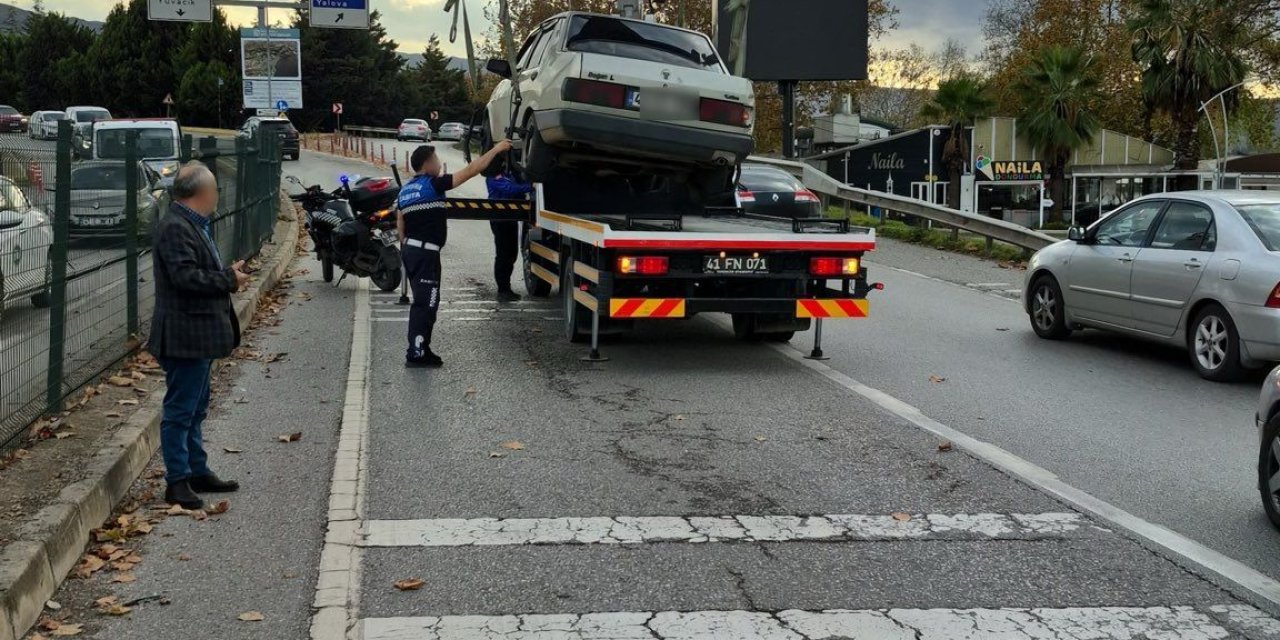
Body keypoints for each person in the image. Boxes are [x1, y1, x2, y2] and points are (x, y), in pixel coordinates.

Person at [149, 162, 250, 510]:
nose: (217, 196)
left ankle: (196, 469)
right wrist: (228, 280)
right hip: (184, 335)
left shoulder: (191, 225)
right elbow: (186, 278)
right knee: (180, 410)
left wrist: (225, 275)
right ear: (203, 193)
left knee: (195, 407)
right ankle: (177, 481)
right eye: (215, 190)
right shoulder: (176, 228)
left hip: (197, 334)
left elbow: (194, 272)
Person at [397, 140, 513, 368]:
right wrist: (497, 149)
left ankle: (421, 348)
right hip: (425, 254)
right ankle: (417, 352)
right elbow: (471, 171)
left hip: (413, 251)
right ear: (428, 164)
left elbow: (400, 224)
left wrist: (410, 250)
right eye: (437, 160)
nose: (440, 164)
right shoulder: (433, 184)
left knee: (424, 302)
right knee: (426, 303)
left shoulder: (406, 189)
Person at [485, 156, 534, 303]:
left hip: (510, 218)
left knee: (512, 254)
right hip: (499, 220)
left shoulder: (509, 174)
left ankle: (506, 288)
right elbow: (509, 190)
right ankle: (503, 289)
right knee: (503, 254)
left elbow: (518, 186)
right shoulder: (493, 178)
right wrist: (531, 186)